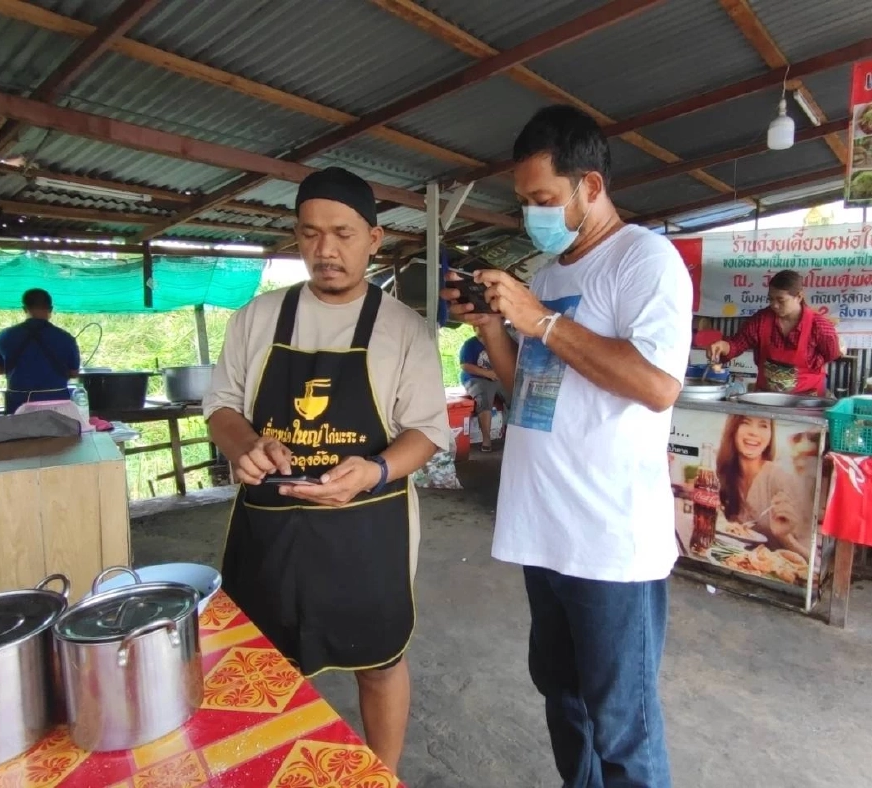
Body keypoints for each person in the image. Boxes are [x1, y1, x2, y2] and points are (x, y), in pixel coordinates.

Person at [443, 104, 691, 787]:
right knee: (563, 698)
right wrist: (496, 326)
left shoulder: (646, 259)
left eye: (544, 199)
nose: (533, 216)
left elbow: (657, 385)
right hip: (546, 531)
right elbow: (534, 395)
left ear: (590, 185)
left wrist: (541, 321)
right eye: (524, 203)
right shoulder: (548, 277)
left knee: (622, 722)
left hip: (609, 540)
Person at [203, 167, 447, 772]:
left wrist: (376, 470)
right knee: (262, 663)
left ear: (374, 237)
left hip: (368, 526)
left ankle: (382, 776)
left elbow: (428, 432)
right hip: (270, 525)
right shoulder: (257, 318)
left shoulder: (405, 330)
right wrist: (245, 446)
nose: (325, 250)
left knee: (380, 660)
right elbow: (221, 408)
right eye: (310, 234)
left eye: (341, 233)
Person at [708, 270, 842, 395]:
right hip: (766, 399)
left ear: (799, 296)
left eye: (781, 300)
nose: (775, 305)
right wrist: (722, 347)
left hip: (808, 401)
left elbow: (832, 354)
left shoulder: (819, 326)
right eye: (771, 299)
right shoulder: (760, 321)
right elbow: (737, 344)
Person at [715, 415, 809, 556]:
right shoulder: (725, 475)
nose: (754, 432)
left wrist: (784, 536)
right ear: (732, 429)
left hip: (777, 572)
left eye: (763, 425)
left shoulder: (781, 479)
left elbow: (811, 563)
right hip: (731, 562)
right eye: (746, 422)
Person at [0, 288, 80, 414]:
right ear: (51, 309)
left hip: (19, 406)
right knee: (57, 434)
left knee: (21, 434)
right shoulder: (66, 338)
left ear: (24, 309)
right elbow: (74, 373)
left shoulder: (4, 336)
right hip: (57, 407)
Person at [459, 334, 506, 452]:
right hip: (475, 378)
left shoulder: (498, 342)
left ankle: (509, 433)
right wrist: (487, 374)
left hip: (496, 378)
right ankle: (486, 440)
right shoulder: (470, 344)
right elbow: (465, 366)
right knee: (484, 398)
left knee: (514, 397)